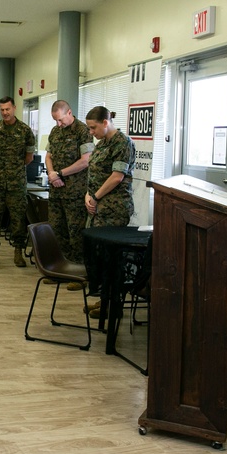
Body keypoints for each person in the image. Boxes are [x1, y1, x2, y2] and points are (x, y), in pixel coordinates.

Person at [83, 106, 135, 316]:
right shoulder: (102, 143)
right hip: (98, 208)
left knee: (111, 260)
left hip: (113, 209)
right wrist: (89, 194)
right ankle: (104, 300)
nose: (90, 132)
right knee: (100, 257)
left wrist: (95, 196)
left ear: (105, 122)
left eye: (93, 127)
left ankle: (113, 307)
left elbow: (116, 176)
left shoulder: (122, 143)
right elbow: (94, 173)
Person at [0, 96, 36, 267]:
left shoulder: (25, 131)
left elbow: (29, 158)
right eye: (2, 110)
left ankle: (18, 252)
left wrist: (13, 168)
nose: (5, 113)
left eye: (8, 109)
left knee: (18, 219)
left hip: (17, 183)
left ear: (14, 108)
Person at [45, 100, 93, 264]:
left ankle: (78, 271)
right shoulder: (55, 131)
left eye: (60, 120)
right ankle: (60, 269)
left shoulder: (83, 131)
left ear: (69, 113)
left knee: (76, 232)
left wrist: (60, 174)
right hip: (56, 191)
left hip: (75, 193)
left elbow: (85, 161)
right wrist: (52, 173)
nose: (58, 124)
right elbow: (48, 156)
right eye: (55, 120)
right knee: (56, 230)